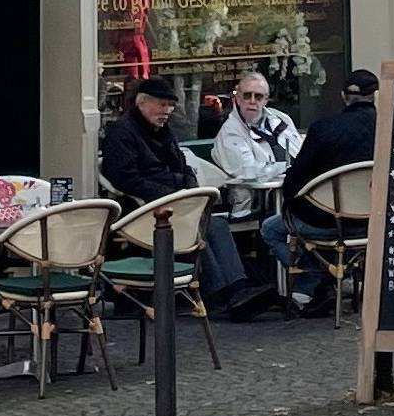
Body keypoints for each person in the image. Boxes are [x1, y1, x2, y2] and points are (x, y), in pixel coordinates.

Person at [99, 78, 267, 316]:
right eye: (161, 105)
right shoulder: (122, 133)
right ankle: (218, 296)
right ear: (143, 103)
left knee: (215, 223)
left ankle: (238, 289)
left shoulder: (163, 131)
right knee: (194, 225)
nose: (167, 111)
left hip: (174, 201)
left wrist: (188, 185)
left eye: (170, 105)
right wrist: (170, 193)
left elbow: (182, 164)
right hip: (144, 209)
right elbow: (125, 179)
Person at [266, 70, 379, 315]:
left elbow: (294, 183)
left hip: (327, 223)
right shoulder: (391, 129)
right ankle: (334, 276)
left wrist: (296, 199)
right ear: (375, 96)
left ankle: (317, 276)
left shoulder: (324, 129)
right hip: (375, 223)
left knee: (271, 228)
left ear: (343, 96)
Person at [210, 70, 300, 216]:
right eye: (247, 96)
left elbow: (300, 151)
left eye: (258, 96)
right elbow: (249, 171)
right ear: (238, 99)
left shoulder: (281, 119)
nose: (252, 101)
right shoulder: (230, 132)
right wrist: (286, 168)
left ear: (265, 100)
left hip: (295, 194)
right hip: (257, 206)